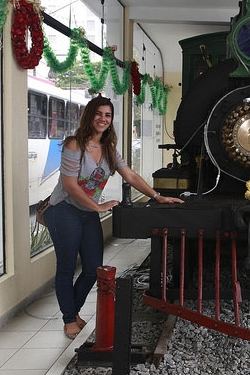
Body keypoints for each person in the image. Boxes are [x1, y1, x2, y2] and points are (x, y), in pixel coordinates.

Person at [43, 95, 184, 339]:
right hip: (64, 210)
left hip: (87, 213)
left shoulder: (109, 150)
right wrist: (98, 207)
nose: (103, 119)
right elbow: (70, 186)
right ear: (90, 116)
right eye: (99, 114)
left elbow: (130, 176)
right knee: (66, 269)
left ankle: (72, 311)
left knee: (92, 269)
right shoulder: (74, 145)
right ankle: (69, 320)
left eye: (107, 115)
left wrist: (157, 196)